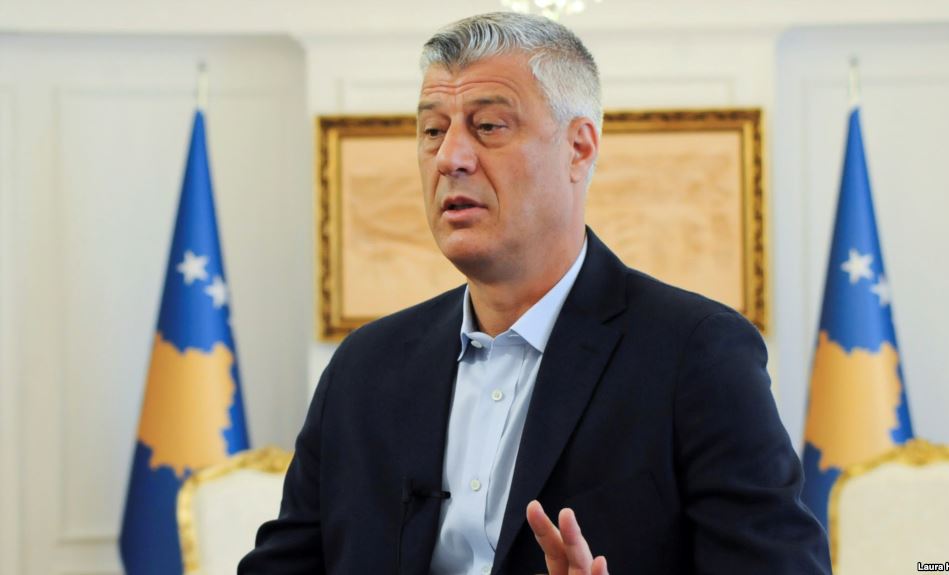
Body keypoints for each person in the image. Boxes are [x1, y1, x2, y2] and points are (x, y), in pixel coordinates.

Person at [239, 12, 831, 575]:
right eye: (433, 130)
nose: (449, 158)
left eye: (488, 127)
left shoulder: (697, 354)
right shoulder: (364, 367)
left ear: (579, 148)